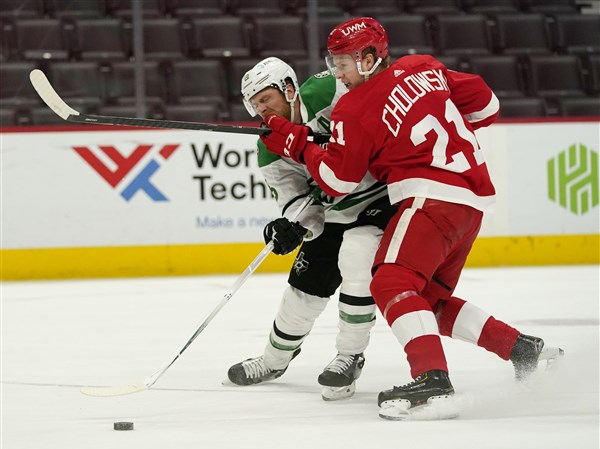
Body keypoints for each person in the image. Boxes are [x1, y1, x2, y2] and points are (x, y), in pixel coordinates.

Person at [259, 18, 563, 419]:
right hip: (470, 202)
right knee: (425, 301)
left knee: (389, 281)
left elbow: (338, 179)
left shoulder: (354, 105)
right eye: (334, 64)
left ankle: (432, 381)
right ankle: (523, 350)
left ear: (369, 58)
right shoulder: (424, 66)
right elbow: (487, 105)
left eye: (343, 64)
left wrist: (297, 143)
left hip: (430, 198)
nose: (338, 74)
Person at [226, 57, 397, 400]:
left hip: (382, 195)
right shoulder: (268, 148)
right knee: (301, 293)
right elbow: (301, 205)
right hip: (335, 211)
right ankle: (274, 361)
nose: (262, 109)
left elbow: (375, 106)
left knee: (357, 257)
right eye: (255, 104)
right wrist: (294, 227)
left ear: (289, 89)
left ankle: (349, 356)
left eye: (266, 98)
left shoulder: (328, 89)